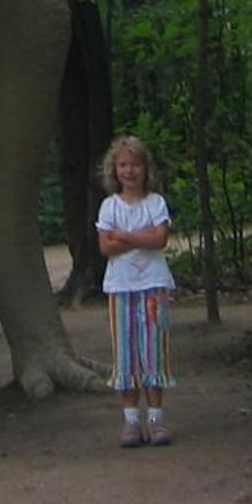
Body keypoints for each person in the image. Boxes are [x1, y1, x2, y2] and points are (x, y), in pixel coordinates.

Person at [95, 134, 175, 447]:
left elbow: (160, 240)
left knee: (154, 352)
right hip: (120, 288)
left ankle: (156, 419)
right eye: (123, 165)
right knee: (126, 355)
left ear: (146, 168)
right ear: (114, 170)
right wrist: (141, 237)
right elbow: (105, 247)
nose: (130, 171)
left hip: (155, 287)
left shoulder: (156, 203)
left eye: (135, 165)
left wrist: (125, 237)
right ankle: (130, 422)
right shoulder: (109, 206)